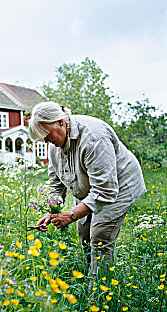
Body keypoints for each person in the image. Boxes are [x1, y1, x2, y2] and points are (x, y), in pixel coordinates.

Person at [29, 101, 146, 283]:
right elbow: (55, 184)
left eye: (46, 134)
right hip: (91, 187)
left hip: (118, 185)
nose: (45, 141)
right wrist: (51, 212)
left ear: (60, 122)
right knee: (84, 233)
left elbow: (105, 191)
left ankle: (98, 295)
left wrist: (71, 215)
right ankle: (91, 279)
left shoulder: (93, 138)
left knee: (99, 237)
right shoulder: (54, 145)